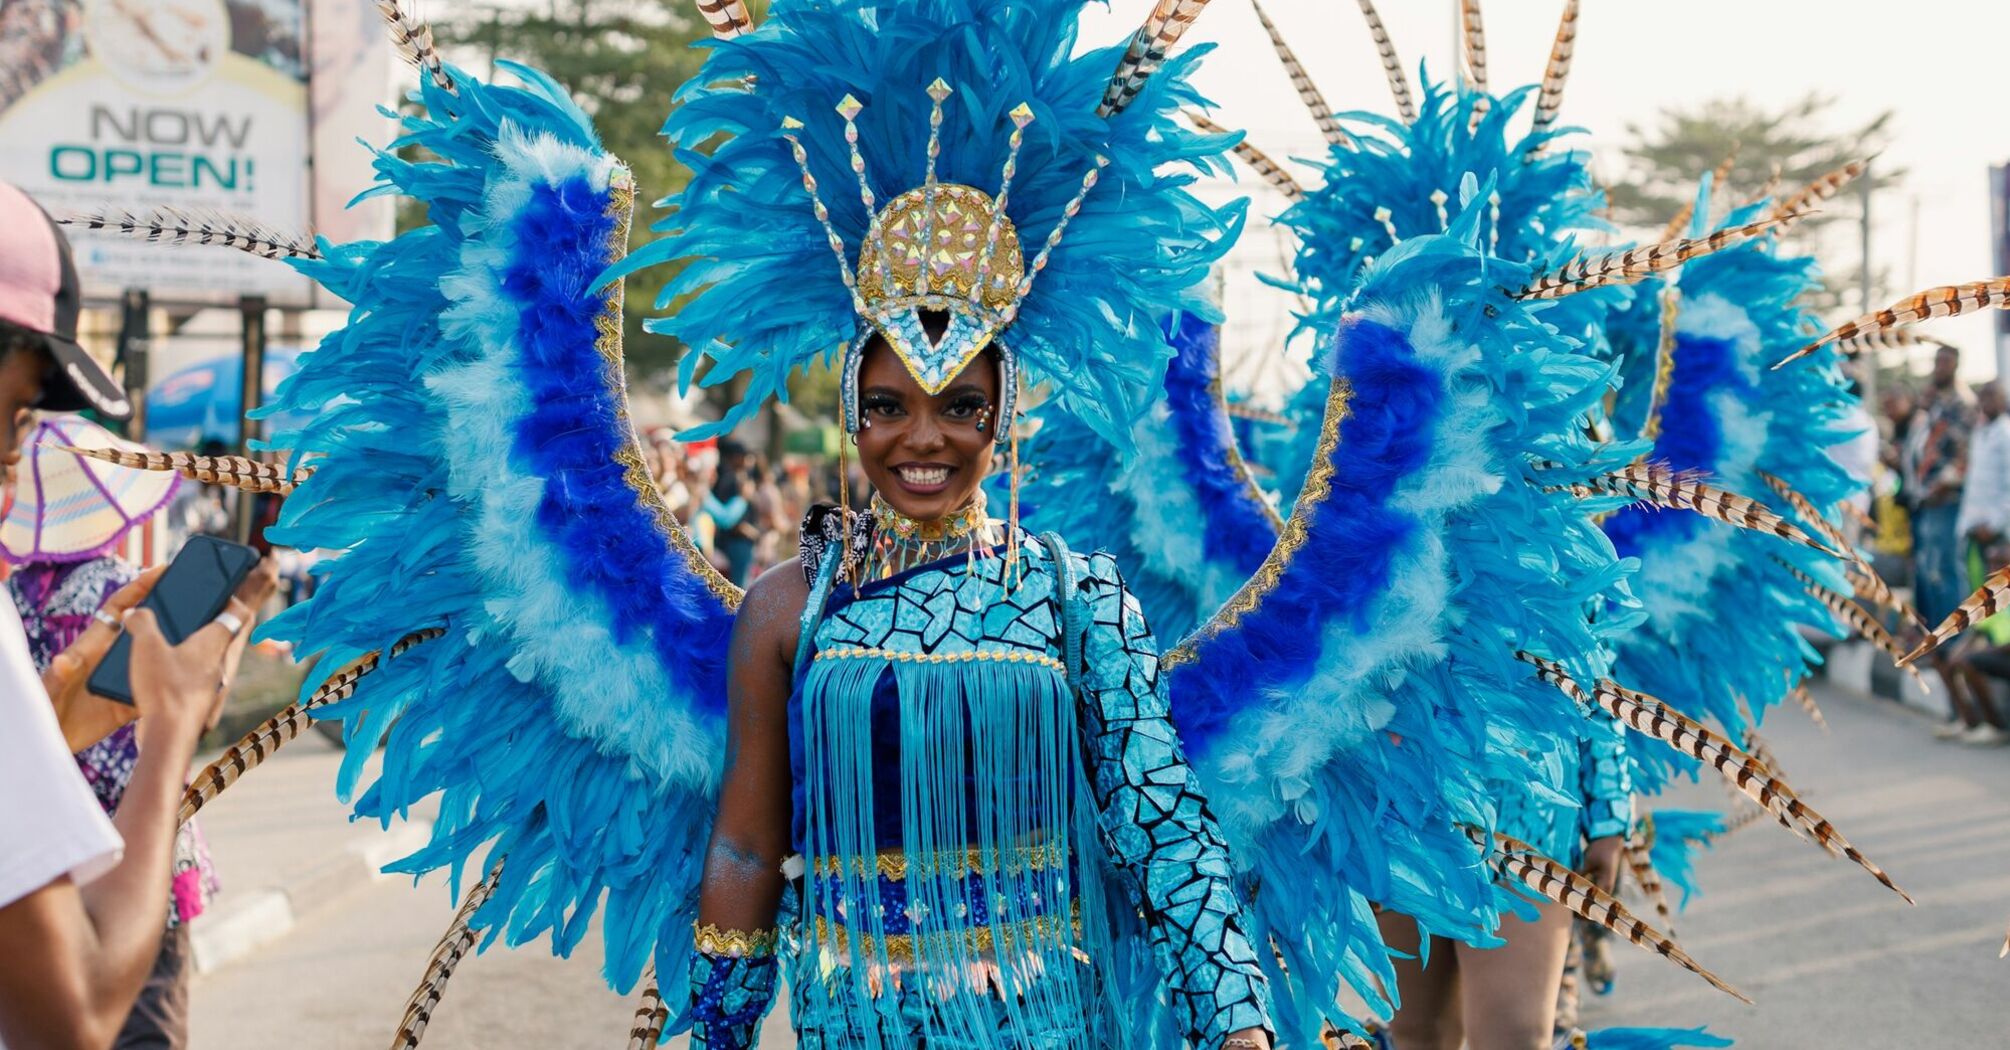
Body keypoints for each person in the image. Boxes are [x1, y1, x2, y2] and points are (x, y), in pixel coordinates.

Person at [0, 179, 269, 1050]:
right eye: (15, 410)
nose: (12, 455)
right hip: (109, 892)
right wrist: (171, 734)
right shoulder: (104, 592)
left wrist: (49, 727)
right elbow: (72, 1016)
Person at [2, 416, 224, 1048]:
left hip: (43, 859)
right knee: (147, 1024)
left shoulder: (11, 598)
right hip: (141, 845)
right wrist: (187, 710)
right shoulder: (125, 591)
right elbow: (190, 709)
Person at [1899, 345, 1978, 724]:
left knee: (1946, 573)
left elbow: (1963, 454)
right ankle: (1937, 643)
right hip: (1925, 502)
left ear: (1956, 365)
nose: (1937, 368)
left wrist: (1942, 484)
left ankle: (1954, 643)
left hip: (1946, 501)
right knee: (1928, 577)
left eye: (1944, 363)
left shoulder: (1963, 403)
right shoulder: (1934, 405)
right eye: (1936, 362)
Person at [1943, 380, 2010, 744]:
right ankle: (1970, 721)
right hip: (1975, 531)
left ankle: (1992, 724)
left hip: (1994, 529)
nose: (1985, 402)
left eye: (1992, 396)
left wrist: (1996, 527)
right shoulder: (1982, 434)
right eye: (1982, 395)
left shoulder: (2005, 433)